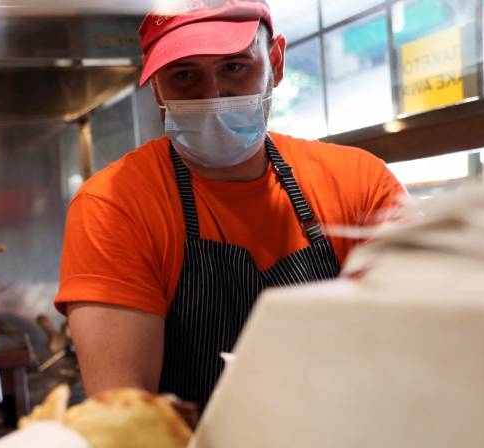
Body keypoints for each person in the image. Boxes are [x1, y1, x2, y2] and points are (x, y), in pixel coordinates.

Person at [55, 0, 406, 409]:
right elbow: (123, 417)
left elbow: (413, 352)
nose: (213, 96)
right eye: (184, 74)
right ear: (156, 88)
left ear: (275, 62)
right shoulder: (115, 205)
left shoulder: (360, 183)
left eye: (234, 67)